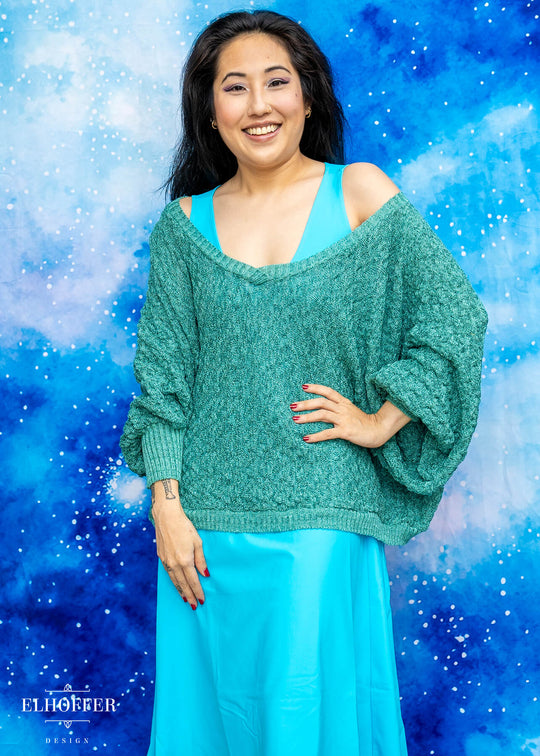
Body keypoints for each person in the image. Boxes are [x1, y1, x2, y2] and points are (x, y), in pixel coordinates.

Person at [120, 9, 488, 756]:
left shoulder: (360, 193)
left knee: (306, 716)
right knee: (209, 721)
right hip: (202, 529)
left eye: (277, 82)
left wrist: (382, 419)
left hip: (324, 508)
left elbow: (455, 317)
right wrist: (167, 507)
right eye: (235, 87)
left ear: (309, 97)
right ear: (210, 112)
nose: (258, 105)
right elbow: (163, 385)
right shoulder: (182, 228)